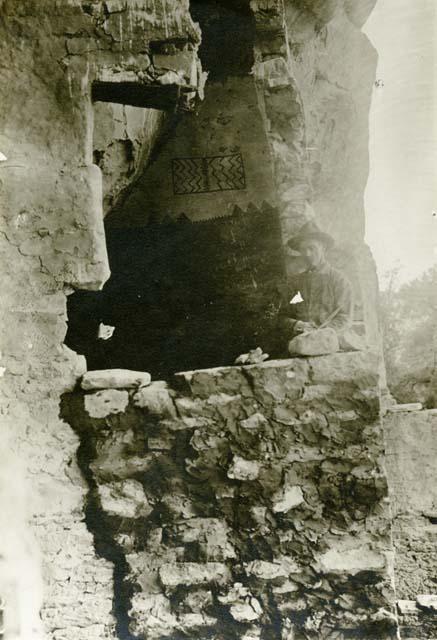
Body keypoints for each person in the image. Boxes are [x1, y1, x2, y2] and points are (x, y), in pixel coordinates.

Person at [279, 222, 354, 339]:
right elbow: (282, 316)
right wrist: (297, 324)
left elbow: (344, 318)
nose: (307, 254)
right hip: (300, 343)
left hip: (328, 344)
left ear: (323, 248)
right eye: (303, 250)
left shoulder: (339, 280)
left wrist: (321, 333)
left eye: (312, 248)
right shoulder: (295, 283)